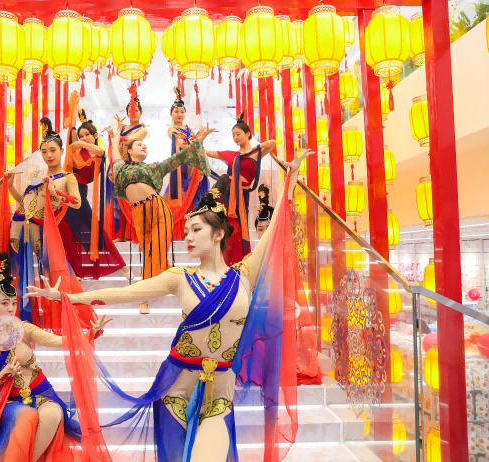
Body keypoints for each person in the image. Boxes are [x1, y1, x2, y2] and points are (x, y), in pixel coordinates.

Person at [26, 149, 317, 462]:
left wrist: (290, 183)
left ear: (219, 234)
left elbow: (274, 234)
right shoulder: (179, 278)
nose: (188, 237)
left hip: (221, 392)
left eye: (196, 230)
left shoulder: (245, 273)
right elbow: (128, 293)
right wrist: (69, 298)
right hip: (176, 389)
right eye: (186, 231)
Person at [0, 252, 111, 462]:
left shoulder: (24, 329)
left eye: (13, 303)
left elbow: (60, 341)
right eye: (4, 303)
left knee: (53, 415)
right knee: (27, 416)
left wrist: (89, 334)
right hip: (11, 400)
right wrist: (0, 376)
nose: (10, 309)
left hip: (42, 392)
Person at [104, 118, 214, 314]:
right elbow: (114, 151)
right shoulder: (121, 168)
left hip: (159, 211)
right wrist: (118, 131)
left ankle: (143, 298)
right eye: (139, 145)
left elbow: (179, 157)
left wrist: (200, 139)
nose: (144, 147)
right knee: (152, 254)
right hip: (139, 214)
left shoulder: (153, 167)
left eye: (145, 146)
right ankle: (178, 282)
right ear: (129, 151)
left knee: (153, 254)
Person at [6, 130, 82, 324]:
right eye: (44, 151)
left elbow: (77, 203)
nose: (49, 155)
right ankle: (21, 319)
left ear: (62, 151)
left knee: (54, 268)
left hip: (40, 228)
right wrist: (10, 186)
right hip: (18, 227)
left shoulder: (68, 177)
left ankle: (72, 315)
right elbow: (24, 201)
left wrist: (55, 192)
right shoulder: (37, 176)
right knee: (16, 273)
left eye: (53, 150)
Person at [64, 108, 132, 280]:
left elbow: (100, 152)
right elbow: (71, 131)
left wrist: (83, 143)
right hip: (67, 193)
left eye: (87, 134)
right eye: (81, 136)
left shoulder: (98, 152)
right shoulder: (76, 152)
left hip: (80, 194)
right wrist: (75, 105)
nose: (83, 138)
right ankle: (77, 272)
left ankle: (122, 266)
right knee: (71, 234)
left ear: (95, 135)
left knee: (97, 231)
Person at [203, 113, 277, 265]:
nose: (235, 137)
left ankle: (239, 263)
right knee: (228, 228)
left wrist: (250, 151)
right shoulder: (232, 155)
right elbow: (204, 152)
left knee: (240, 228)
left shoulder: (255, 154)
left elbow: (272, 143)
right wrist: (202, 136)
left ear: (248, 134)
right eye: (233, 135)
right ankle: (224, 263)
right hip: (227, 195)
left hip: (243, 195)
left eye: (238, 134)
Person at [166, 87, 211, 241]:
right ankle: (180, 232)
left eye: (182, 111)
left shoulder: (188, 129)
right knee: (181, 199)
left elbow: (195, 145)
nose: (179, 114)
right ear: (171, 114)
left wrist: (201, 136)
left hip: (193, 166)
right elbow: (183, 144)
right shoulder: (172, 129)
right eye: (176, 111)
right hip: (181, 167)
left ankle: (196, 232)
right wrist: (200, 137)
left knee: (194, 199)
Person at [106, 90, 147, 244]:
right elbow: (115, 147)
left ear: (141, 112)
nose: (133, 113)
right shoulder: (122, 129)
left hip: (132, 168)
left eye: (136, 110)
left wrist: (116, 134)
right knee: (117, 202)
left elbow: (129, 140)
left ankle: (135, 233)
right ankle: (120, 233)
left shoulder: (142, 130)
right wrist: (115, 134)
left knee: (132, 202)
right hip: (117, 167)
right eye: (130, 110)